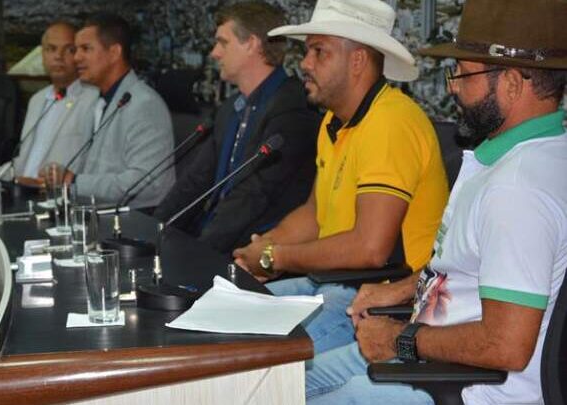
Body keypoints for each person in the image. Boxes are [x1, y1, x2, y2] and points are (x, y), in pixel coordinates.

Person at [305, 0, 567, 403]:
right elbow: (474, 265)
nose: (452, 87)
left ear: (513, 84)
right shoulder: (534, 154)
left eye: (462, 73)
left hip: (464, 386)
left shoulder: (516, 191)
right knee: (286, 381)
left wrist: (400, 339)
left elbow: (506, 345)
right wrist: (401, 290)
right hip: (433, 359)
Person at [232, 0, 449, 355]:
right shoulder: (333, 123)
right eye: (307, 52)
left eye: (319, 52)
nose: (305, 63)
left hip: (383, 300)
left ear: (358, 60)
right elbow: (314, 215)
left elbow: (370, 249)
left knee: (248, 358)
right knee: (228, 323)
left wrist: (276, 257)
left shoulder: (391, 122)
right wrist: (261, 249)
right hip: (333, 283)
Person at [153, 1, 321, 254]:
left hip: (254, 249)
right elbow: (194, 181)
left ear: (251, 44)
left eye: (223, 43)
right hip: (212, 236)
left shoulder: (292, 110)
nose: (214, 53)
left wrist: (199, 254)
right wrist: (153, 231)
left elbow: (254, 196)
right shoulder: (231, 108)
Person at [61, 12, 175, 208]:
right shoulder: (98, 102)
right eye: (75, 49)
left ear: (114, 53)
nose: (76, 58)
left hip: (131, 221)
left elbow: (147, 184)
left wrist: (75, 182)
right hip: (92, 215)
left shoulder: (144, 104)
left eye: (86, 49)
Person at [10, 20, 98, 186]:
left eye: (69, 50)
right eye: (51, 49)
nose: (58, 56)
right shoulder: (37, 100)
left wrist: (44, 184)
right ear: (42, 55)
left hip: (60, 194)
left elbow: (92, 166)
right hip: (21, 189)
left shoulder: (94, 100)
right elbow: (22, 161)